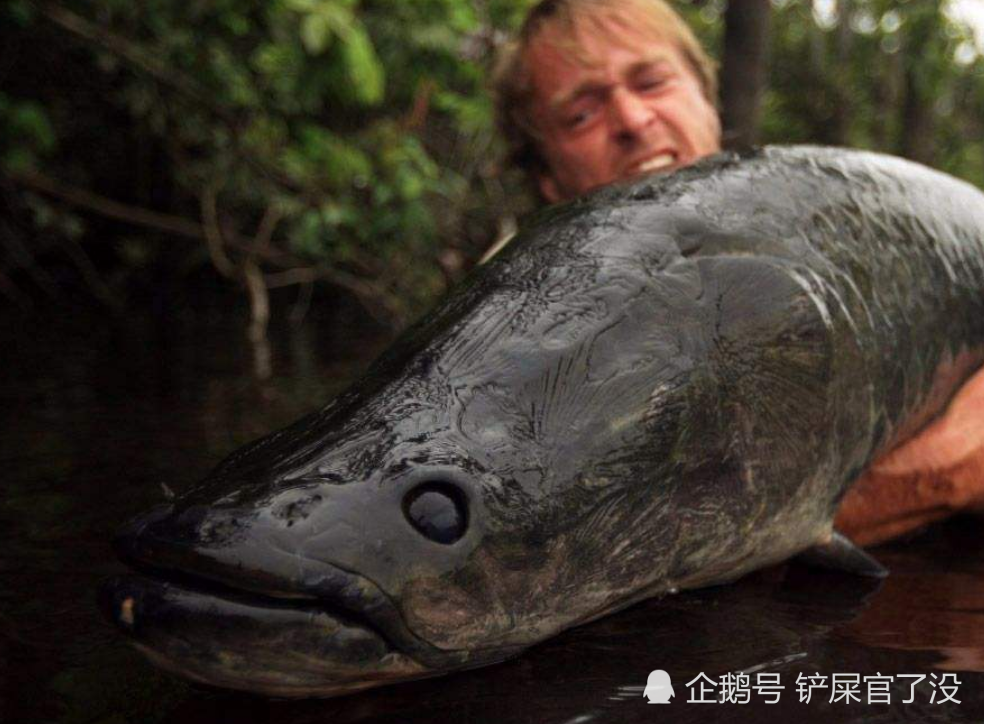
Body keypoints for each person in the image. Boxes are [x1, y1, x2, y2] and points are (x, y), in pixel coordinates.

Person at [492, 0, 984, 544]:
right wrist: (926, 478)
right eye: (581, 114)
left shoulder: (832, 224)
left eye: (652, 82)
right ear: (547, 179)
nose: (632, 120)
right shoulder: (513, 337)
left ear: (707, 99)